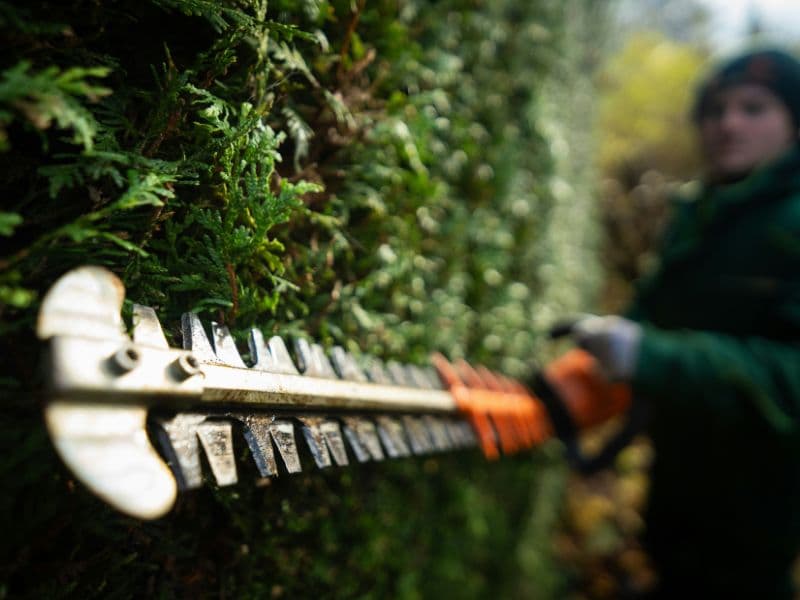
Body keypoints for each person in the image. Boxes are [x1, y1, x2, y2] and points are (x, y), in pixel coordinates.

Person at [562, 49, 800, 597]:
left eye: (754, 107)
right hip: (675, 485)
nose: (728, 123)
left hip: (760, 507)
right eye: (715, 110)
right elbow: (653, 311)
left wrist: (650, 357)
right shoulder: (697, 216)